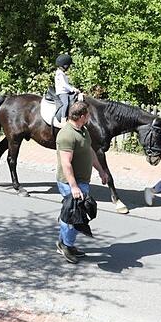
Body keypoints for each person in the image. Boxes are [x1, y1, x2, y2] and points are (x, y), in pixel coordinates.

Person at [55, 100, 109, 264]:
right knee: (75, 216)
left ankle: (63, 243)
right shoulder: (66, 135)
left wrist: (101, 170)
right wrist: (73, 186)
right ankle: (67, 245)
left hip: (82, 181)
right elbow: (66, 163)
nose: (89, 118)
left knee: (71, 213)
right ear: (82, 116)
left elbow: (90, 151)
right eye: (88, 115)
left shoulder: (83, 130)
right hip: (70, 182)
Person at [54, 53, 81, 121]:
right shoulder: (59, 73)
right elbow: (64, 84)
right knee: (65, 103)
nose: (68, 67)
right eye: (68, 65)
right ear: (64, 65)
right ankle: (63, 118)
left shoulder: (62, 73)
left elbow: (67, 84)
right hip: (62, 93)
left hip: (66, 92)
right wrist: (73, 89)